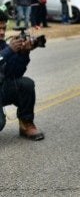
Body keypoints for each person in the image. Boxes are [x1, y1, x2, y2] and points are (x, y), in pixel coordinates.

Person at [0, 9, 44, 141]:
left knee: (25, 84)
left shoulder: (2, 45)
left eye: (3, 28)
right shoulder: (5, 48)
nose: (2, 32)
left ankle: (26, 124)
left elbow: (13, 73)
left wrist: (24, 53)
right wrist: (8, 51)